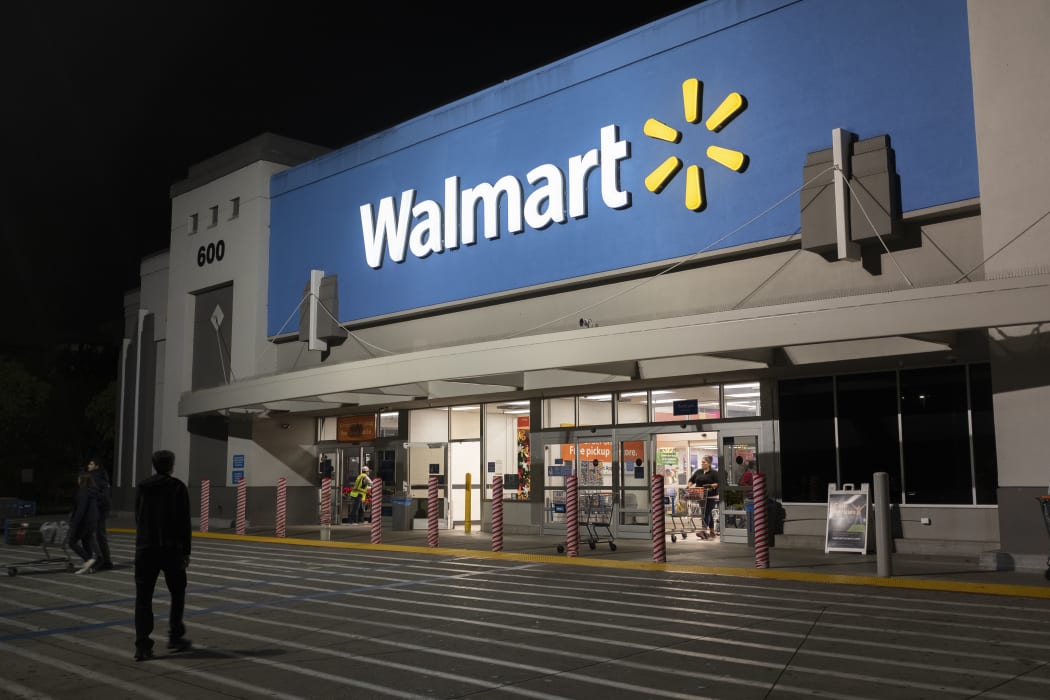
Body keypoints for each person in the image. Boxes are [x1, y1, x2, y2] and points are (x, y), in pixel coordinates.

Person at [134, 449, 192, 662]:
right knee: (177, 593)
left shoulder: (143, 487)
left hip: (146, 549)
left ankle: (142, 646)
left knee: (143, 598)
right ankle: (175, 636)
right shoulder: (177, 487)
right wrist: (186, 551)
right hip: (171, 549)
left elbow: (138, 517)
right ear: (171, 465)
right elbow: (184, 523)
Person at [68, 473, 100, 574]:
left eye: (78, 479)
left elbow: (80, 510)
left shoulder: (83, 492)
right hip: (92, 521)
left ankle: (88, 560)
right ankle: (89, 567)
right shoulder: (92, 492)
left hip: (84, 521)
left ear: (82, 481)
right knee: (86, 542)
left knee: (72, 542)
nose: (77, 481)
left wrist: (74, 524)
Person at [86, 458, 113, 570]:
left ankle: (101, 560)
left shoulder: (95, 477)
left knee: (95, 536)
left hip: (97, 510)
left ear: (97, 466)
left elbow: (94, 494)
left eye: (91, 463)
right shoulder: (103, 477)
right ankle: (105, 561)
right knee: (99, 535)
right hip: (102, 510)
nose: (88, 465)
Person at [688, 456, 719, 539]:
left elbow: (718, 483)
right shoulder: (698, 472)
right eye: (702, 462)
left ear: (709, 463)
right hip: (700, 495)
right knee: (707, 513)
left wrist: (711, 485)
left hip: (711, 496)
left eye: (704, 462)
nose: (702, 464)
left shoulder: (714, 473)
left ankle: (703, 530)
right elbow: (691, 480)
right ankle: (712, 531)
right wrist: (689, 486)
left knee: (705, 512)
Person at [739, 459, 758, 539]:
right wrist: (751, 488)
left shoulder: (753, 472)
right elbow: (743, 483)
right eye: (755, 465)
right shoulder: (748, 473)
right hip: (748, 495)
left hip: (751, 495)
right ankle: (746, 528)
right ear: (753, 465)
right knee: (748, 513)